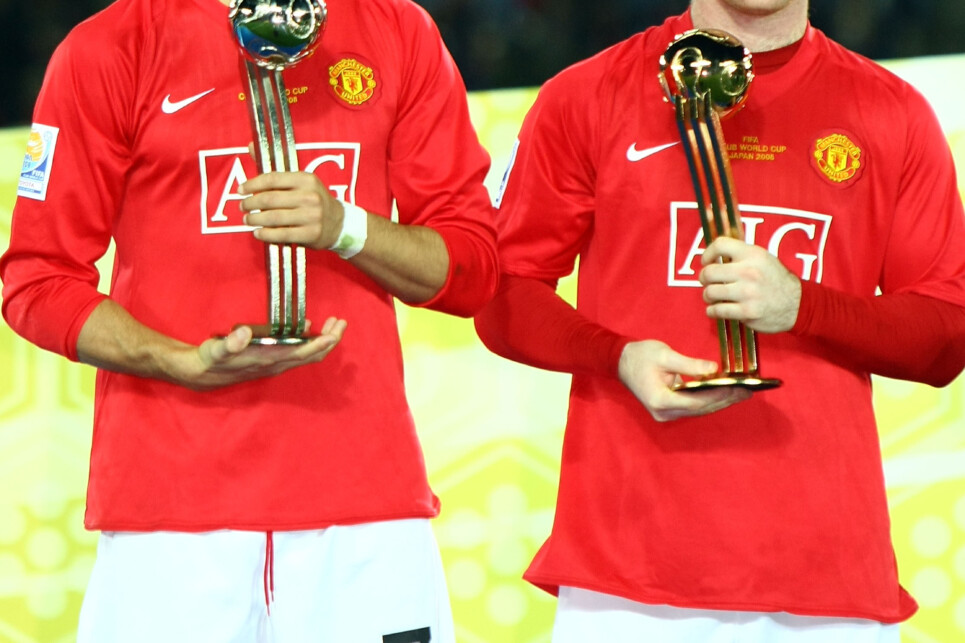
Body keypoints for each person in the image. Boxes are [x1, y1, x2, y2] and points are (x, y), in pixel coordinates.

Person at [0, 0, 497, 641]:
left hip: (364, 518)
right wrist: (174, 360)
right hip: (170, 524)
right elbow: (36, 280)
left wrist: (345, 227)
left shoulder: (397, 27)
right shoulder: (110, 46)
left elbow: (473, 269)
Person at [474, 0, 965, 640]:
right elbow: (501, 293)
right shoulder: (587, 94)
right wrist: (615, 356)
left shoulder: (890, 111)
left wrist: (803, 305)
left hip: (828, 587)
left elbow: (946, 336)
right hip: (627, 584)